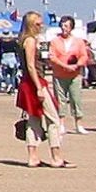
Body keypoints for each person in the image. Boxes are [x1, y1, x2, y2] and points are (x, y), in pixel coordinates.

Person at [15, 11, 69, 168]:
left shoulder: (24, 40)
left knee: (33, 121)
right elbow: (31, 66)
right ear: (31, 25)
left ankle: (33, 157)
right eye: (38, 24)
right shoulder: (30, 40)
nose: (41, 26)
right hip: (34, 83)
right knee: (53, 119)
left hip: (28, 82)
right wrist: (39, 87)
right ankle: (56, 156)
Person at [47, 16, 87, 134]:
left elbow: (84, 55)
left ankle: (78, 124)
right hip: (59, 74)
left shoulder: (79, 41)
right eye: (62, 25)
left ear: (71, 27)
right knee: (60, 99)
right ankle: (61, 124)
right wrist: (64, 66)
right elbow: (52, 57)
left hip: (75, 75)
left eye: (66, 26)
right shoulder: (55, 41)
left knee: (76, 99)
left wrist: (77, 65)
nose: (64, 28)